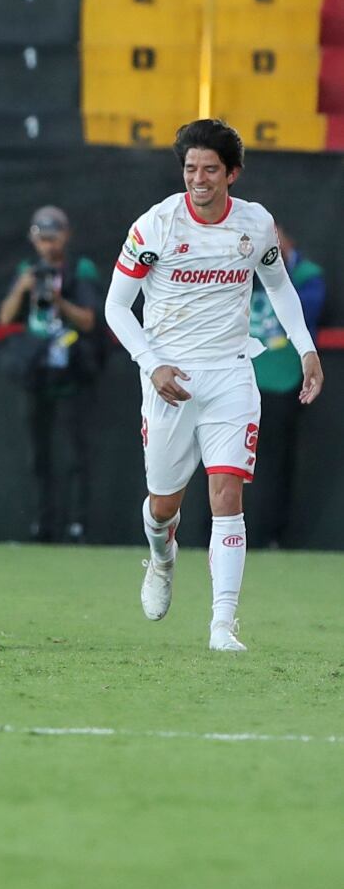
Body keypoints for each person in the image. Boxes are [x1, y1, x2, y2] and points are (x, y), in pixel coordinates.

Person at [104, 119, 323, 652]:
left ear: (233, 174)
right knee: (162, 505)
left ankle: (222, 625)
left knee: (227, 495)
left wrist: (307, 349)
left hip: (230, 373)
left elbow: (279, 288)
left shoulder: (255, 225)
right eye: (189, 169)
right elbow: (115, 306)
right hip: (169, 378)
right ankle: (161, 555)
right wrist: (151, 363)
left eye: (209, 169)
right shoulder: (156, 225)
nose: (197, 179)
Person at [0, 205, 104, 543]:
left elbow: (88, 320)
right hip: (37, 370)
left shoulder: (79, 269)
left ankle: (78, 524)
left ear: (66, 236)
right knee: (38, 454)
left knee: (77, 453)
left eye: (53, 237)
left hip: (72, 369)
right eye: (42, 238)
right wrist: (23, 287)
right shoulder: (28, 269)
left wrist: (58, 299)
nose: (48, 245)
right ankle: (42, 524)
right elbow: (5, 318)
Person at [248, 227, 326, 548]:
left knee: (276, 463)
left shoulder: (306, 276)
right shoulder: (239, 272)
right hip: (242, 378)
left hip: (283, 380)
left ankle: (271, 535)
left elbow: (304, 313)